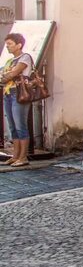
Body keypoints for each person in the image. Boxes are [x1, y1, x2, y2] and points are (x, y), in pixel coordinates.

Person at [1, 33, 34, 167]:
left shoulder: (25, 57)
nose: (7, 46)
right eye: (7, 44)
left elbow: (13, 74)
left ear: (19, 45)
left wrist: (6, 75)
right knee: (12, 127)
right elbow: (4, 75)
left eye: (10, 44)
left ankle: (23, 157)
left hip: (19, 94)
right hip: (8, 93)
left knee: (21, 126)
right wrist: (6, 75)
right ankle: (15, 156)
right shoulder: (9, 61)